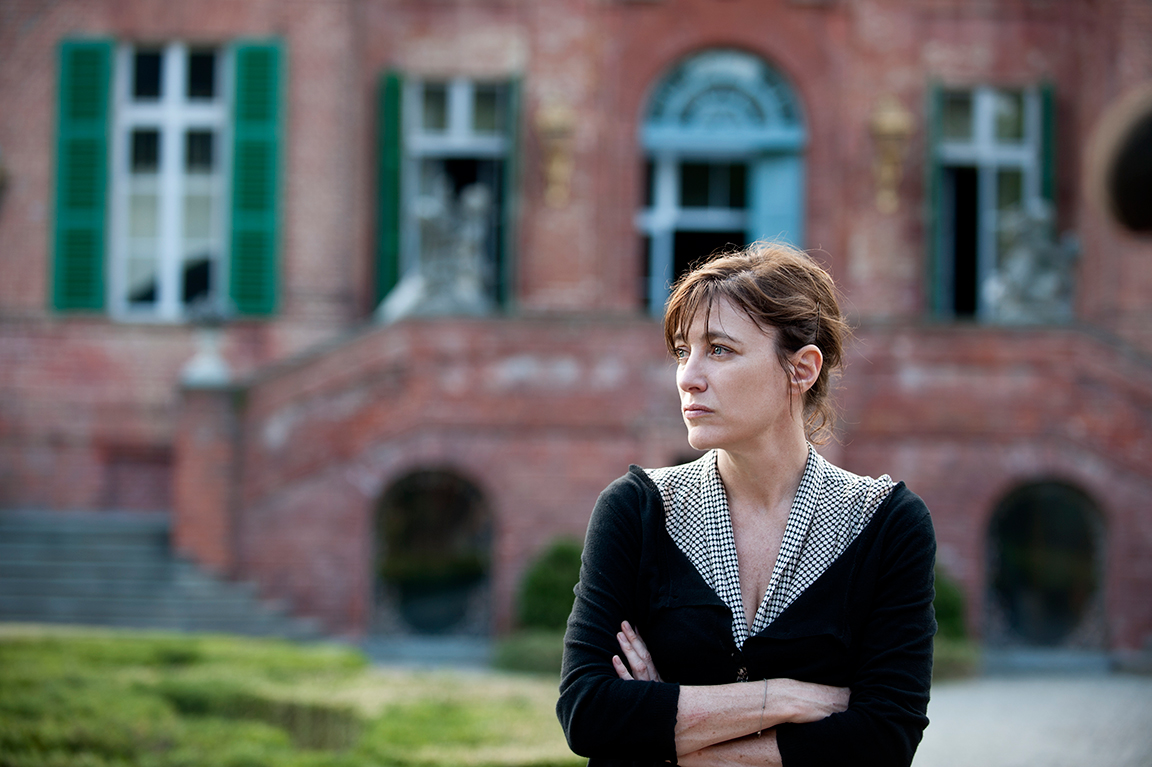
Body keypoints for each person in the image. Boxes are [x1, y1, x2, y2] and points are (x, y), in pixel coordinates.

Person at [556, 242, 936, 767]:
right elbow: (588, 713)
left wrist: (669, 736)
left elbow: (884, 739)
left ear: (801, 369)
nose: (688, 377)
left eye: (719, 350)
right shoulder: (637, 510)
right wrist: (784, 699)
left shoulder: (886, 523)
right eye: (682, 351)